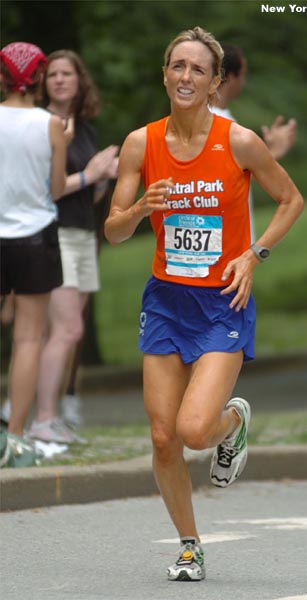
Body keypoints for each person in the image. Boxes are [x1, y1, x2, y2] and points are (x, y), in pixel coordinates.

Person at [105, 26, 303, 582]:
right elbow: (114, 232)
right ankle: (190, 545)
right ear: (164, 74)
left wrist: (255, 254)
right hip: (167, 301)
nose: (185, 76)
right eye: (177, 66)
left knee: (194, 431)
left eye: (198, 69)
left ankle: (233, 419)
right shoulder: (140, 144)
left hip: (222, 303)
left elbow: (291, 199)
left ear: (216, 82)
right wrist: (141, 207)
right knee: (164, 436)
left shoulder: (238, 141)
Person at [29, 50, 119, 444]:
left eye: (68, 74)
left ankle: (48, 415)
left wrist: (103, 180)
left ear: (81, 81)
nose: (60, 80)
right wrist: (90, 174)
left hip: (83, 233)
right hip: (55, 233)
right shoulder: (40, 125)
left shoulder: (84, 130)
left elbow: (90, 198)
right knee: (66, 328)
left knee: (67, 330)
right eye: (52, 75)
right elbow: (44, 191)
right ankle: (42, 419)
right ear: (42, 83)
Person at [0, 42, 68, 465]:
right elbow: (57, 190)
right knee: (28, 339)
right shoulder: (52, 125)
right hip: (35, 239)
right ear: (40, 78)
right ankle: (16, 440)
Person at [212, 42, 297, 241]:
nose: (244, 82)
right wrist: (272, 153)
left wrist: (265, 153)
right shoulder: (214, 123)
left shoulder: (222, 119)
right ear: (231, 77)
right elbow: (219, 180)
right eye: (244, 74)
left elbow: (232, 170)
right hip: (223, 252)